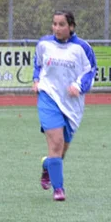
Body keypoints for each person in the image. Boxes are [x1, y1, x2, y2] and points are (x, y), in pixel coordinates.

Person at [32, 10, 96, 202]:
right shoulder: (44, 44)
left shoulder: (82, 48)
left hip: (71, 103)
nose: (57, 28)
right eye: (54, 24)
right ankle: (58, 190)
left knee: (61, 150)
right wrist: (36, 80)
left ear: (71, 27)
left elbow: (91, 72)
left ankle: (47, 166)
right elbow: (38, 64)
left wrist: (78, 86)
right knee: (56, 143)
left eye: (61, 24)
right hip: (48, 97)